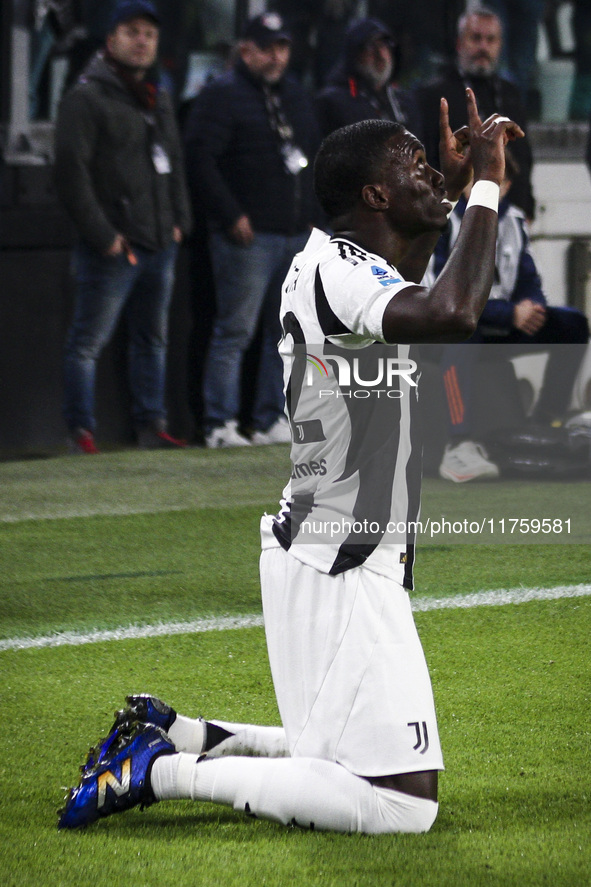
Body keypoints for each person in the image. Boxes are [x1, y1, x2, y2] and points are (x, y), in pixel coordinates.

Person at [58, 89, 524, 834]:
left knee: (328, 754)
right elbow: (451, 313)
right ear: (373, 193)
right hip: (342, 560)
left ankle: (178, 734)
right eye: (413, 165)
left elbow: (421, 297)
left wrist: (458, 188)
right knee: (399, 802)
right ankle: (158, 769)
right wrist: (489, 186)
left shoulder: (336, 265)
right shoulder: (338, 270)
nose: (430, 174)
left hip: (323, 549)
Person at [54, 0, 192, 453]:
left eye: (149, 34)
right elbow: (71, 176)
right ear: (111, 39)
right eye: (132, 32)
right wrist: (105, 237)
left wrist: (178, 221)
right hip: (115, 245)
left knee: (152, 339)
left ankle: (150, 425)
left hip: (159, 240)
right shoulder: (85, 96)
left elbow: (173, 161)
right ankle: (81, 431)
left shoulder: (157, 94)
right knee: (87, 342)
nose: (142, 41)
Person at [184, 13, 322, 448]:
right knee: (235, 331)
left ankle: (270, 420)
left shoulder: (296, 96)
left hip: (294, 233)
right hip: (248, 237)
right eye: (266, 47)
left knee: (285, 335)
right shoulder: (221, 95)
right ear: (244, 50)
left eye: (281, 46)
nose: (275, 56)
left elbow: (315, 158)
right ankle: (219, 424)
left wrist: (315, 219)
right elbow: (200, 160)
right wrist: (230, 216)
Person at [430, 151, 590, 483]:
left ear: (507, 186)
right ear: (463, 186)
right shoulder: (444, 222)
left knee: (572, 324)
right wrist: (508, 314)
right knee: (462, 335)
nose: (488, 190)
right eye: (479, 182)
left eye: (497, 182)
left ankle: (549, 417)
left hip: (501, 322)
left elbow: (529, 281)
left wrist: (530, 306)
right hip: (452, 324)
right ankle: (458, 443)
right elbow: (445, 298)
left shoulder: (514, 220)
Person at [416, 5, 535, 220]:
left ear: (500, 45)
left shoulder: (510, 94)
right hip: (449, 215)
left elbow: (523, 157)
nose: (483, 47)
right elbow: (424, 158)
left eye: (491, 40)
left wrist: (528, 207)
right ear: (460, 43)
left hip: (508, 213)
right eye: (476, 38)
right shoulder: (433, 94)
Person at [315, 17, 420, 137]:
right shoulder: (332, 104)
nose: (380, 55)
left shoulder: (404, 102)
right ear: (355, 54)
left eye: (384, 46)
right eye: (371, 47)